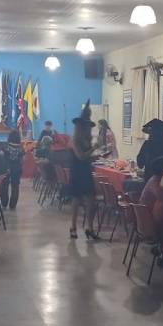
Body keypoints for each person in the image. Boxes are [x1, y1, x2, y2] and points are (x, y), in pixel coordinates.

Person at [68, 101, 99, 240]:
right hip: (77, 172)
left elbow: (87, 158)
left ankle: (89, 227)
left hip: (86, 171)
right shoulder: (75, 140)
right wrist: (94, 149)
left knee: (91, 200)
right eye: (86, 126)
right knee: (76, 200)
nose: (88, 129)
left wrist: (96, 156)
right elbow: (81, 156)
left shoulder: (87, 140)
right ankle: (73, 227)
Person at [3, 130, 24, 210]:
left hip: (7, 167)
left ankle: (4, 203)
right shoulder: (21, 148)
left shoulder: (5, 147)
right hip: (17, 168)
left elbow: (3, 158)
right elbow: (22, 159)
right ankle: (13, 205)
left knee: (5, 185)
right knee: (15, 186)